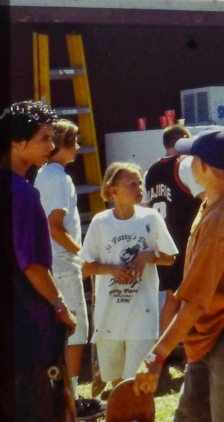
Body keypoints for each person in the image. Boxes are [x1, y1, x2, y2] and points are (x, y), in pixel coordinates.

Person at [134, 127, 224, 422]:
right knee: (190, 416)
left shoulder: (223, 218)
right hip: (211, 330)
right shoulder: (221, 196)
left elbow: (194, 302)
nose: (184, 161)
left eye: (191, 157)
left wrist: (156, 356)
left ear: (204, 166)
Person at [3, 100, 77, 422]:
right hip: (28, 332)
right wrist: (60, 306)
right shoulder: (22, 193)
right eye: (44, 138)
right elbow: (32, 265)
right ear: (16, 142)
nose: (51, 145)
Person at [82, 163, 178, 389]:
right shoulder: (100, 222)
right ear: (113, 191)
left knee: (137, 382)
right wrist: (113, 270)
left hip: (142, 315)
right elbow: (87, 266)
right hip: (109, 316)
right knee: (117, 384)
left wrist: (148, 256)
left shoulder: (151, 218)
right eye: (131, 184)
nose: (139, 189)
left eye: (140, 183)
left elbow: (170, 257)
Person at [34, 119, 104, 418]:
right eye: (74, 142)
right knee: (76, 332)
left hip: (53, 263)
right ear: (62, 145)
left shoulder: (43, 174)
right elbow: (55, 226)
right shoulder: (59, 178)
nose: (77, 147)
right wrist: (84, 254)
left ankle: (62, 395)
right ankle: (71, 399)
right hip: (63, 264)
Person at [145, 124, 204, 333]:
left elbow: (144, 209)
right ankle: (190, 350)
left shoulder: (151, 171)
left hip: (162, 242)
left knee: (172, 297)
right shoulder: (185, 164)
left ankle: (166, 347)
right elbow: (207, 199)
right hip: (185, 241)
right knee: (192, 299)